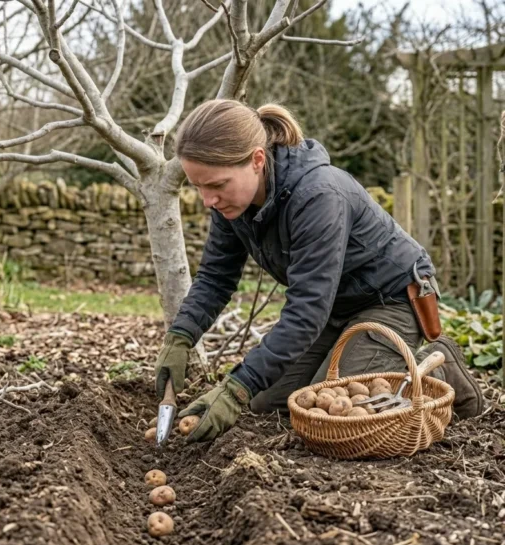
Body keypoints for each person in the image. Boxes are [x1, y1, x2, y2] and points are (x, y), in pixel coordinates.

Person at [155, 99, 485, 443]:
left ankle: (436, 363)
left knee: (350, 408)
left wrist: (235, 387)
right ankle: (365, 357)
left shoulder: (318, 195)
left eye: (217, 185)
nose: (208, 199)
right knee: (266, 401)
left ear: (256, 160)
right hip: (335, 309)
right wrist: (180, 338)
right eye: (199, 186)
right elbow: (215, 277)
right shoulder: (230, 205)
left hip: (391, 299)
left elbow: (306, 311)